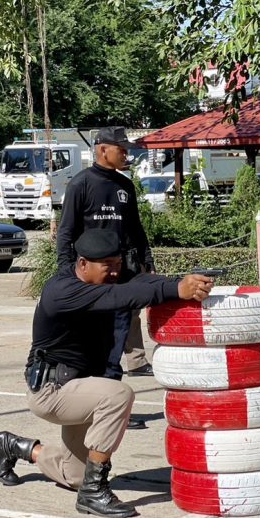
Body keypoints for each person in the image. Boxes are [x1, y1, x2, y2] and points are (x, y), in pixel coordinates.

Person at [0, 230, 213, 518]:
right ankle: (93, 492)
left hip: (82, 387)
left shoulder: (106, 279)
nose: (115, 272)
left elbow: (140, 282)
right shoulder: (63, 290)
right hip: (53, 392)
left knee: (74, 477)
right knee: (118, 395)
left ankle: (14, 446)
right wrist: (176, 289)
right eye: (108, 266)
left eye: (118, 264)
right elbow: (120, 295)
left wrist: (183, 283)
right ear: (83, 264)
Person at [56, 126, 154, 427]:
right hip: (89, 281)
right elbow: (66, 231)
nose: (126, 154)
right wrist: (65, 271)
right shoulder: (81, 184)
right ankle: (90, 406)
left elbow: (135, 229)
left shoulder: (125, 185)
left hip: (120, 276)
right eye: (121, 149)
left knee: (116, 342)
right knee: (91, 345)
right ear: (102, 149)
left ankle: (114, 411)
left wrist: (147, 261)